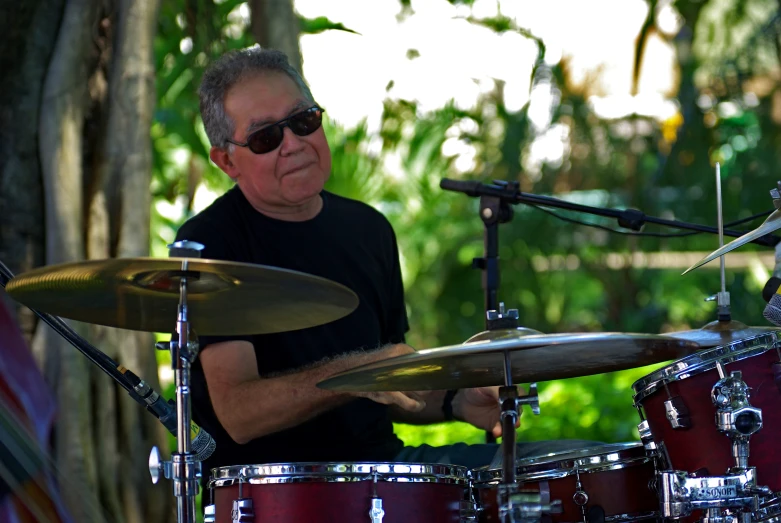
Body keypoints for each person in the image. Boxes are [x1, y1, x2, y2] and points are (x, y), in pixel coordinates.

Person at [175, 47, 596, 484]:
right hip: (278, 490)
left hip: (385, 474)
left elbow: (390, 387)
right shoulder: (209, 244)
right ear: (226, 161)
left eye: (303, 121)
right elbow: (239, 415)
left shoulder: (368, 229)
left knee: (581, 467)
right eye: (266, 137)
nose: (294, 144)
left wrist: (456, 401)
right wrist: (355, 373)